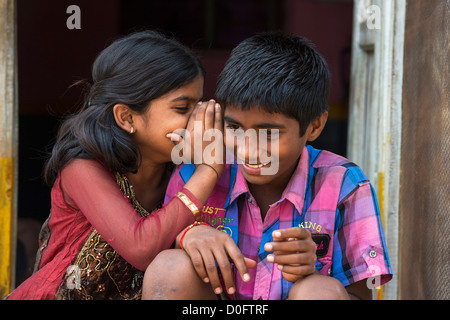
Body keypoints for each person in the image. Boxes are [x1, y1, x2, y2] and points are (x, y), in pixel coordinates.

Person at [142, 31, 393, 300]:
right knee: (170, 266)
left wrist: (314, 270)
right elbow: (155, 247)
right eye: (234, 127)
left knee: (319, 291)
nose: (248, 149)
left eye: (270, 133)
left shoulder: (346, 185)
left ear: (314, 126)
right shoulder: (198, 170)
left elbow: (363, 292)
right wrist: (186, 235)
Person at [5, 30, 224, 300]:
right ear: (126, 116)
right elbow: (142, 247)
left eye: (199, 105)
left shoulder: (180, 169)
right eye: (182, 109)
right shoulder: (83, 167)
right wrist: (208, 171)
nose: (198, 121)